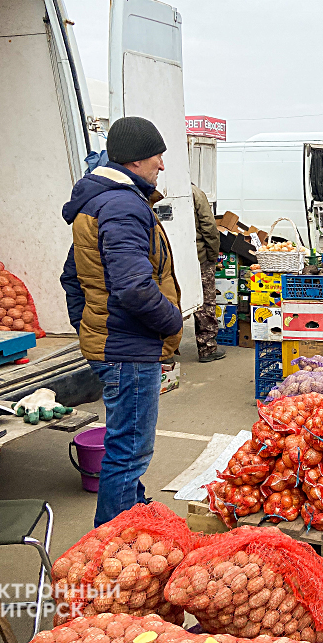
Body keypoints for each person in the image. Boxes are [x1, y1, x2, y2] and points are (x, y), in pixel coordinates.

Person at [60, 117, 183, 526]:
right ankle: (111, 544)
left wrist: (88, 326)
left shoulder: (99, 203)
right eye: (157, 156)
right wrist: (171, 324)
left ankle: (137, 516)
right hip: (128, 349)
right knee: (129, 451)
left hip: (115, 343)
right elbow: (134, 288)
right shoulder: (123, 206)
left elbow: (71, 276)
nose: (162, 165)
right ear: (136, 159)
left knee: (126, 446)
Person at [192, 183, 225, 363]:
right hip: (199, 257)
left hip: (170, 258)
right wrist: (212, 255)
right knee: (206, 303)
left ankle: (167, 351)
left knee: (172, 302)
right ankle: (207, 348)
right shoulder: (195, 193)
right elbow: (209, 227)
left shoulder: (158, 189)